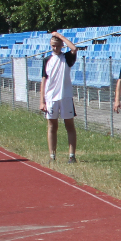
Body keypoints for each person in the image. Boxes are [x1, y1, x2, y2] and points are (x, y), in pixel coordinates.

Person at [38, 32, 78, 163]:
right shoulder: (47, 60)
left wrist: (60, 36)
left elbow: (74, 48)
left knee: (69, 125)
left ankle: (71, 156)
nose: (54, 48)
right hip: (50, 97)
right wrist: (42, 101)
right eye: (52, 46)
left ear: (61, 45)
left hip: (65, 96)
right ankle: (52, 155)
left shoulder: (66, 57)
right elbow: (44, 80)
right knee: (52, 126)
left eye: (57, 46)